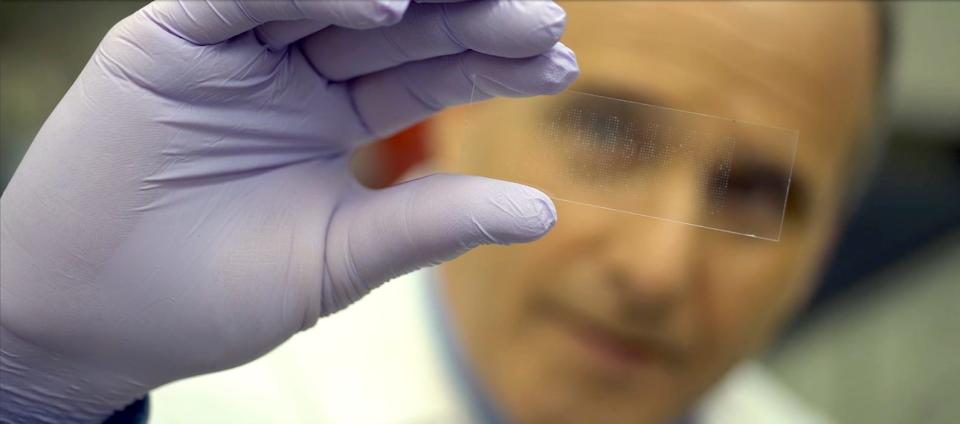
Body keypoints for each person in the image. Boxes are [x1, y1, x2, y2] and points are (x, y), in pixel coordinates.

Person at [0, 1, 885, 423]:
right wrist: (34, 389)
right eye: (611, 135)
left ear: (827, 242)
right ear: (452, 115)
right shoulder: (205, 403)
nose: (656, 271)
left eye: (759, 191)